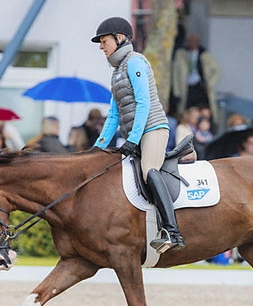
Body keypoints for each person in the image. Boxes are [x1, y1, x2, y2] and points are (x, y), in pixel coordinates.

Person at [91, 16, 184, 253]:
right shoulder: (117, 73)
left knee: (148, 170)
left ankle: (172, 232)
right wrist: (97, 148)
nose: (101, 47)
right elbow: (113, 115)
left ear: (119, 38)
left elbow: (144, 103)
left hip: (153, 129)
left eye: (104, 41)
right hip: (135, 135)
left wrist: (132, 139)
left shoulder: (135, 62)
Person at [172, 33, 220, 123]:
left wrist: (210, 83)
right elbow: (176, 73)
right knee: (186, 110)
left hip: (200, 87)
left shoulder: (204, 54)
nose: (193, 43)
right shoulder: (181, 54)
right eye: (191, 41)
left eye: (195, 41)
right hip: (187, 87)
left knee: (203, 109)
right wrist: (177, 91)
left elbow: (216, 70)